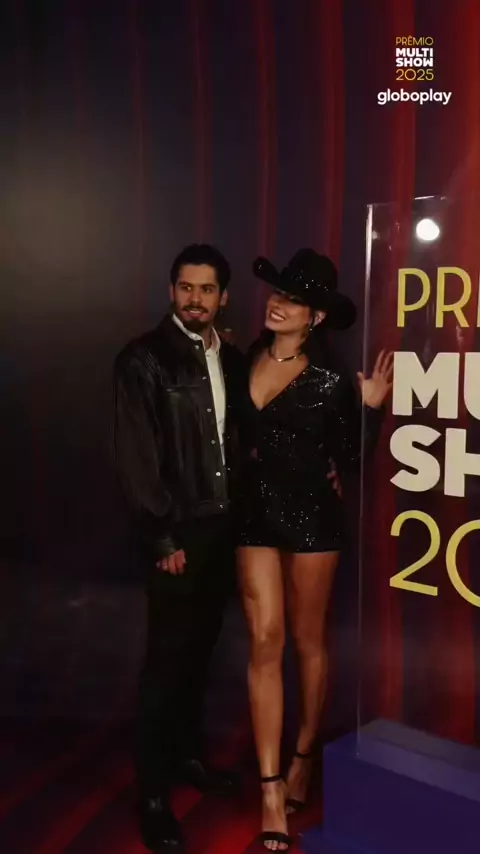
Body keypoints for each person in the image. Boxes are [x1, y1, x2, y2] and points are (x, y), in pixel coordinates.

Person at [235, 249, 393, 851]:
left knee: (307, 641)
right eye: (279, 293)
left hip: (313, 518)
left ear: (316, 317)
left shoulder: (330, 379)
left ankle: (303, 757)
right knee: (265, 639)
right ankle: (270, 789)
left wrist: (371, 409)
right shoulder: (243, 359)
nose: (279, 303)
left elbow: (349, 460)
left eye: (295, 299)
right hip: (254, 515)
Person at [113, 243, 246, 854]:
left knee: (200, 654)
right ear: (172, 291)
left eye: (206, 289)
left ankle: (189, 759)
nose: (196, 299)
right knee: (165, 664)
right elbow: (136, 457)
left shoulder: (230, 355)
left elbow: (243, 434)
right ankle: (152, 796)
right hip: (177, 534)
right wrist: (161, 535)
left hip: (222, 531)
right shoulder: (143, 359)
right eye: (186, 288)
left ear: (223, 297)